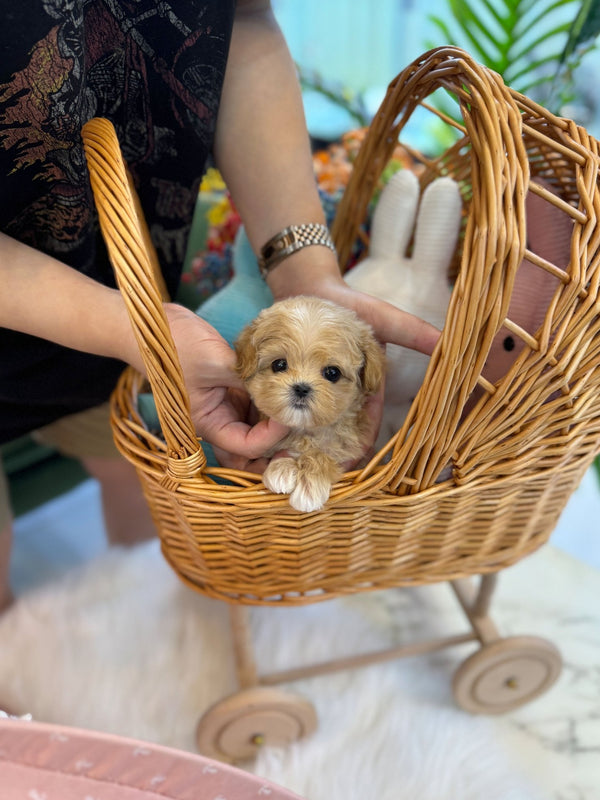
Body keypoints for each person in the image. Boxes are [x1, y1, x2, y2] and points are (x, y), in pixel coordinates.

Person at [0, 0, 439, 615]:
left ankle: (164, 609)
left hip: (112, 273)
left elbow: (244, 24)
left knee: (132, 465)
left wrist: (305, 269)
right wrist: (137, 329)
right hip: (87, 301)